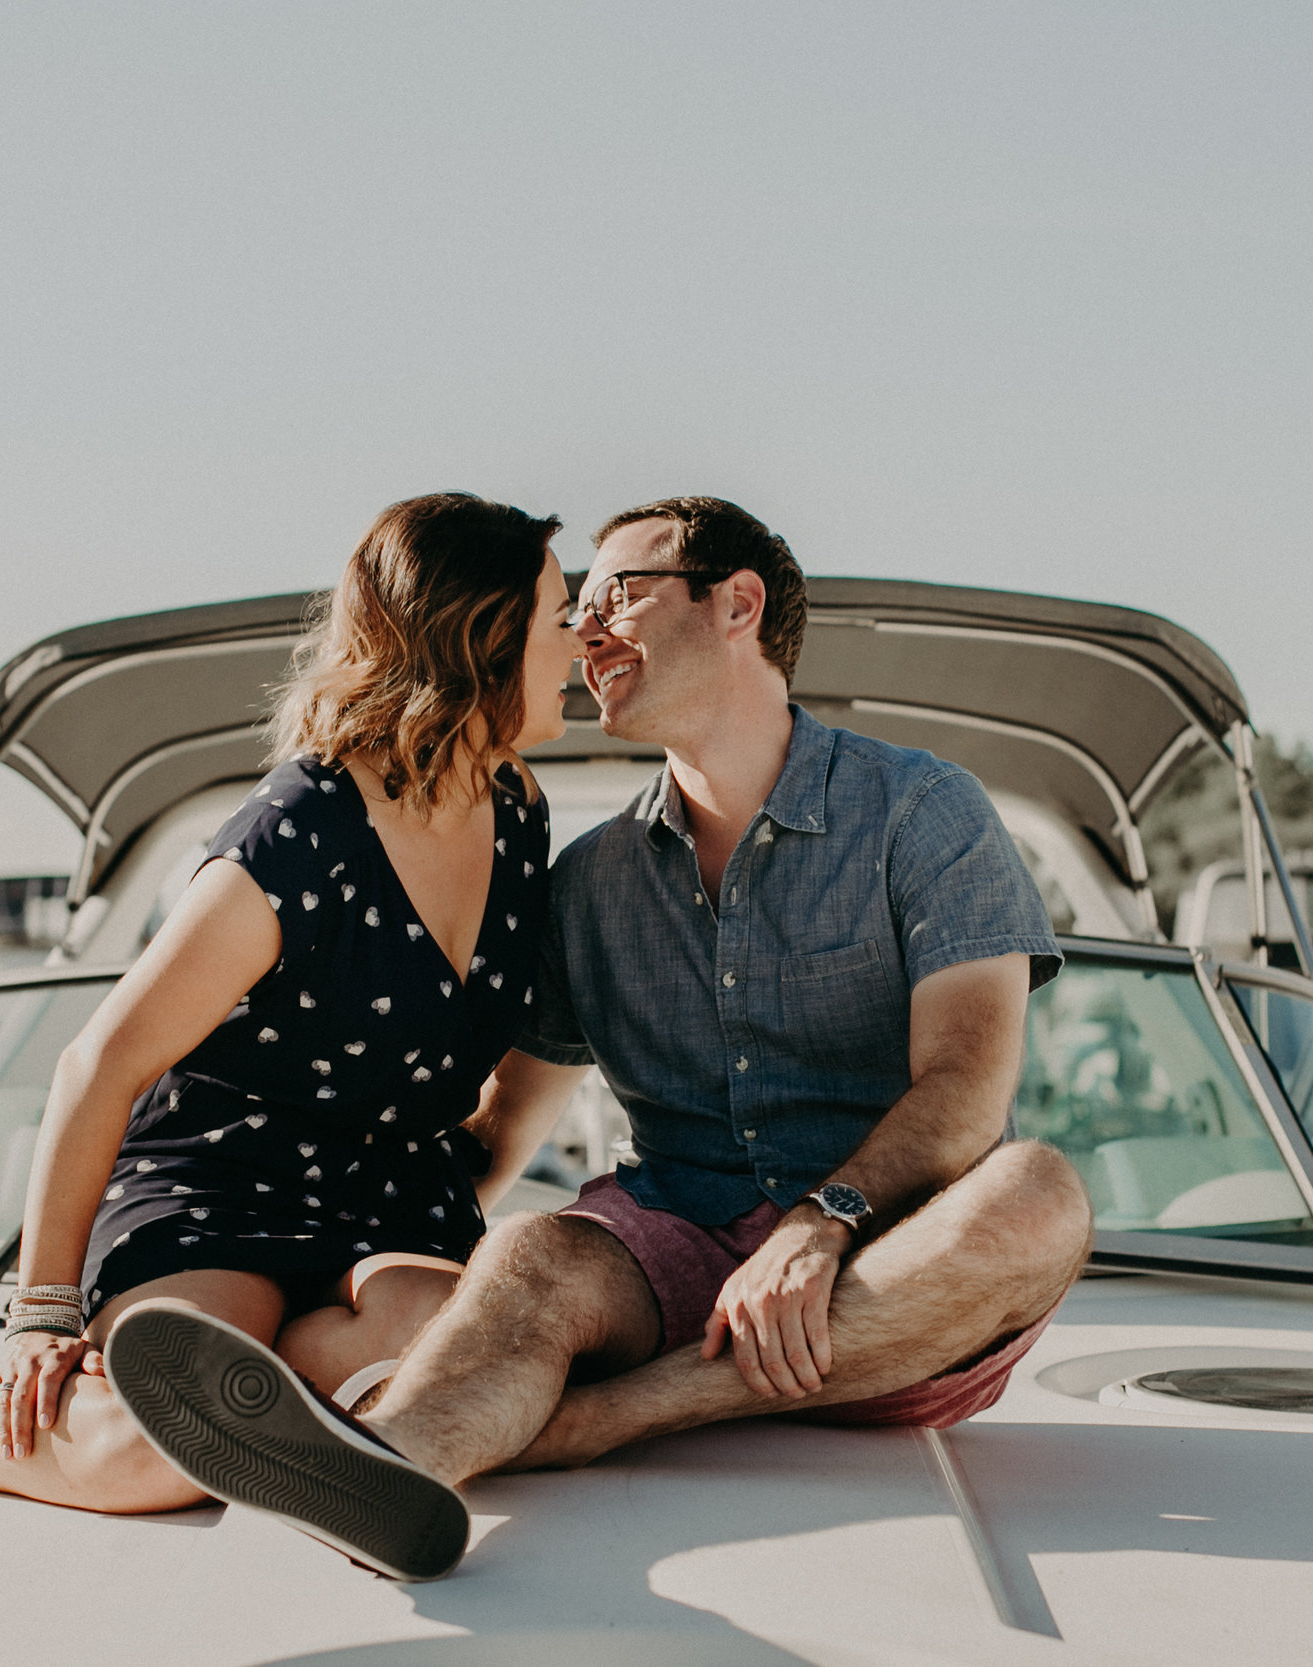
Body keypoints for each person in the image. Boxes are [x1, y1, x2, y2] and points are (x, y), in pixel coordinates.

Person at [110, 496, 1096, 1580]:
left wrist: (820, 1224)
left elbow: (965, 1083)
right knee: (532, 1250)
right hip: (673, 1253)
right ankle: (382, 1463)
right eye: (571, 607)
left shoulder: (923, 812)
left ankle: (598, 1418)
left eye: (616, 593)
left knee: (1038, 1190)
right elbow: (492, 1132)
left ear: (737, 603)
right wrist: (298, 1249)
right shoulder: (588, 882)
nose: (584, 629)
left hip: (894, 1280)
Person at [0, 491, 583, 1514]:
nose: (578, 637)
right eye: (556, 614)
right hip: (220, 1188)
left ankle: (287, 1369)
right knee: (148, 1450)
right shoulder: (303, 830)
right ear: (479, 639)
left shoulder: (517, 817)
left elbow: (507, 1076)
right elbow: (100, 1063)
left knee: (472, 1349)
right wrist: (41, 1315)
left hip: (391, 1197)